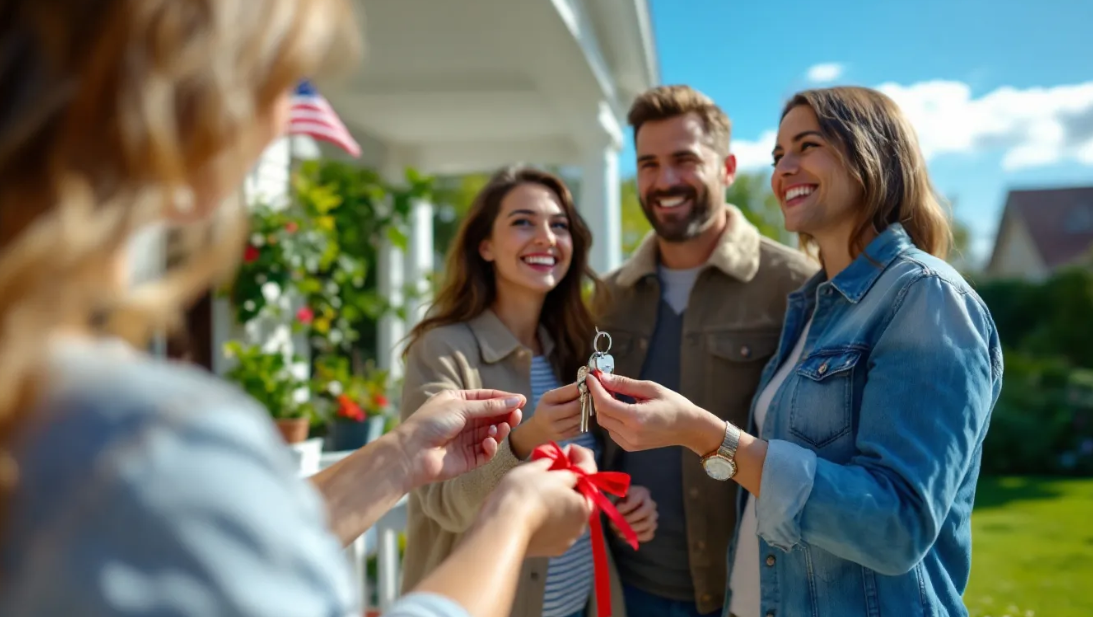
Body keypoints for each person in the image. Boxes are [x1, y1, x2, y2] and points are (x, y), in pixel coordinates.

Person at [0, 2, 599, 617]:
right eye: (278, 80)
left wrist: (396, 456)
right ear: (188, 114)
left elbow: (254, 537)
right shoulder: (153, 442)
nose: (287, 112)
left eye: (559, 223)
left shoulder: (72, 419)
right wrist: (514, 513)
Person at [586, 86, 1003, 617]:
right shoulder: (813, 306)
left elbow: (896, 526)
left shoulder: (926, 295)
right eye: (779, 155)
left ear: (871, 152)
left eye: (807, 146)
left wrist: (703, 434)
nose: (785, 169)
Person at [589, 85, 817, 617]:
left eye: (684, 160)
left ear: (728, 167)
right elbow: (590, 432)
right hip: (629, 587)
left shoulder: (797, 286)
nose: (664, 181)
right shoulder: (608, 296)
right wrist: (608, 493)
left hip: (754, 592)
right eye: (648, 164)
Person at [399, 166, 659, 617]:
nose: (546, 237)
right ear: (485, 246)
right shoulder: (442, 350)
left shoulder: (573, 349)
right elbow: (445, 505)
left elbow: (572, 477)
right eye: (523, 222)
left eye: (559, 225)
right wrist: (524, 439)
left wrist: (616, 502)